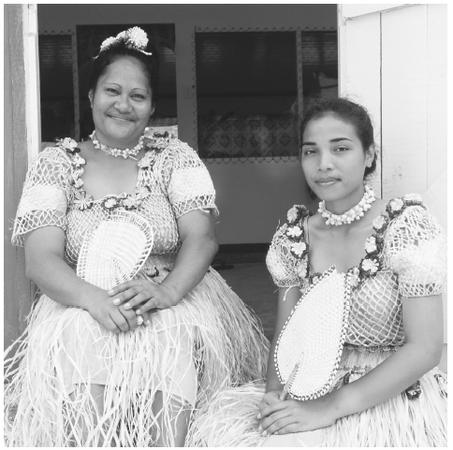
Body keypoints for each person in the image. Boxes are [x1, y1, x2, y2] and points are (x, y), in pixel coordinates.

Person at [4, 27, 268, 447]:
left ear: (151, 108)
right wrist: (95, 300)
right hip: (81, 300)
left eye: (137, 96)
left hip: (168, 294)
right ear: (91, 96)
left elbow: (201, 239)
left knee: (171, 334)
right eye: (112, 91)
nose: (123, 105)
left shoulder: (174, 156)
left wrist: (166, 294)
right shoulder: (54, 163)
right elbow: (41, 259)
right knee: (81, 337)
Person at [187, 97, 447, 447]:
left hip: (393, 394)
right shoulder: (295, 238)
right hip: (311, 385)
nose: (324, 164)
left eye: (340, 148)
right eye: (311, 151)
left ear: (369, 155)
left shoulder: (405, 228)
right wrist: (275, 396)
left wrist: (331, 408)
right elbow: (287, 336)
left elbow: (426, 348)